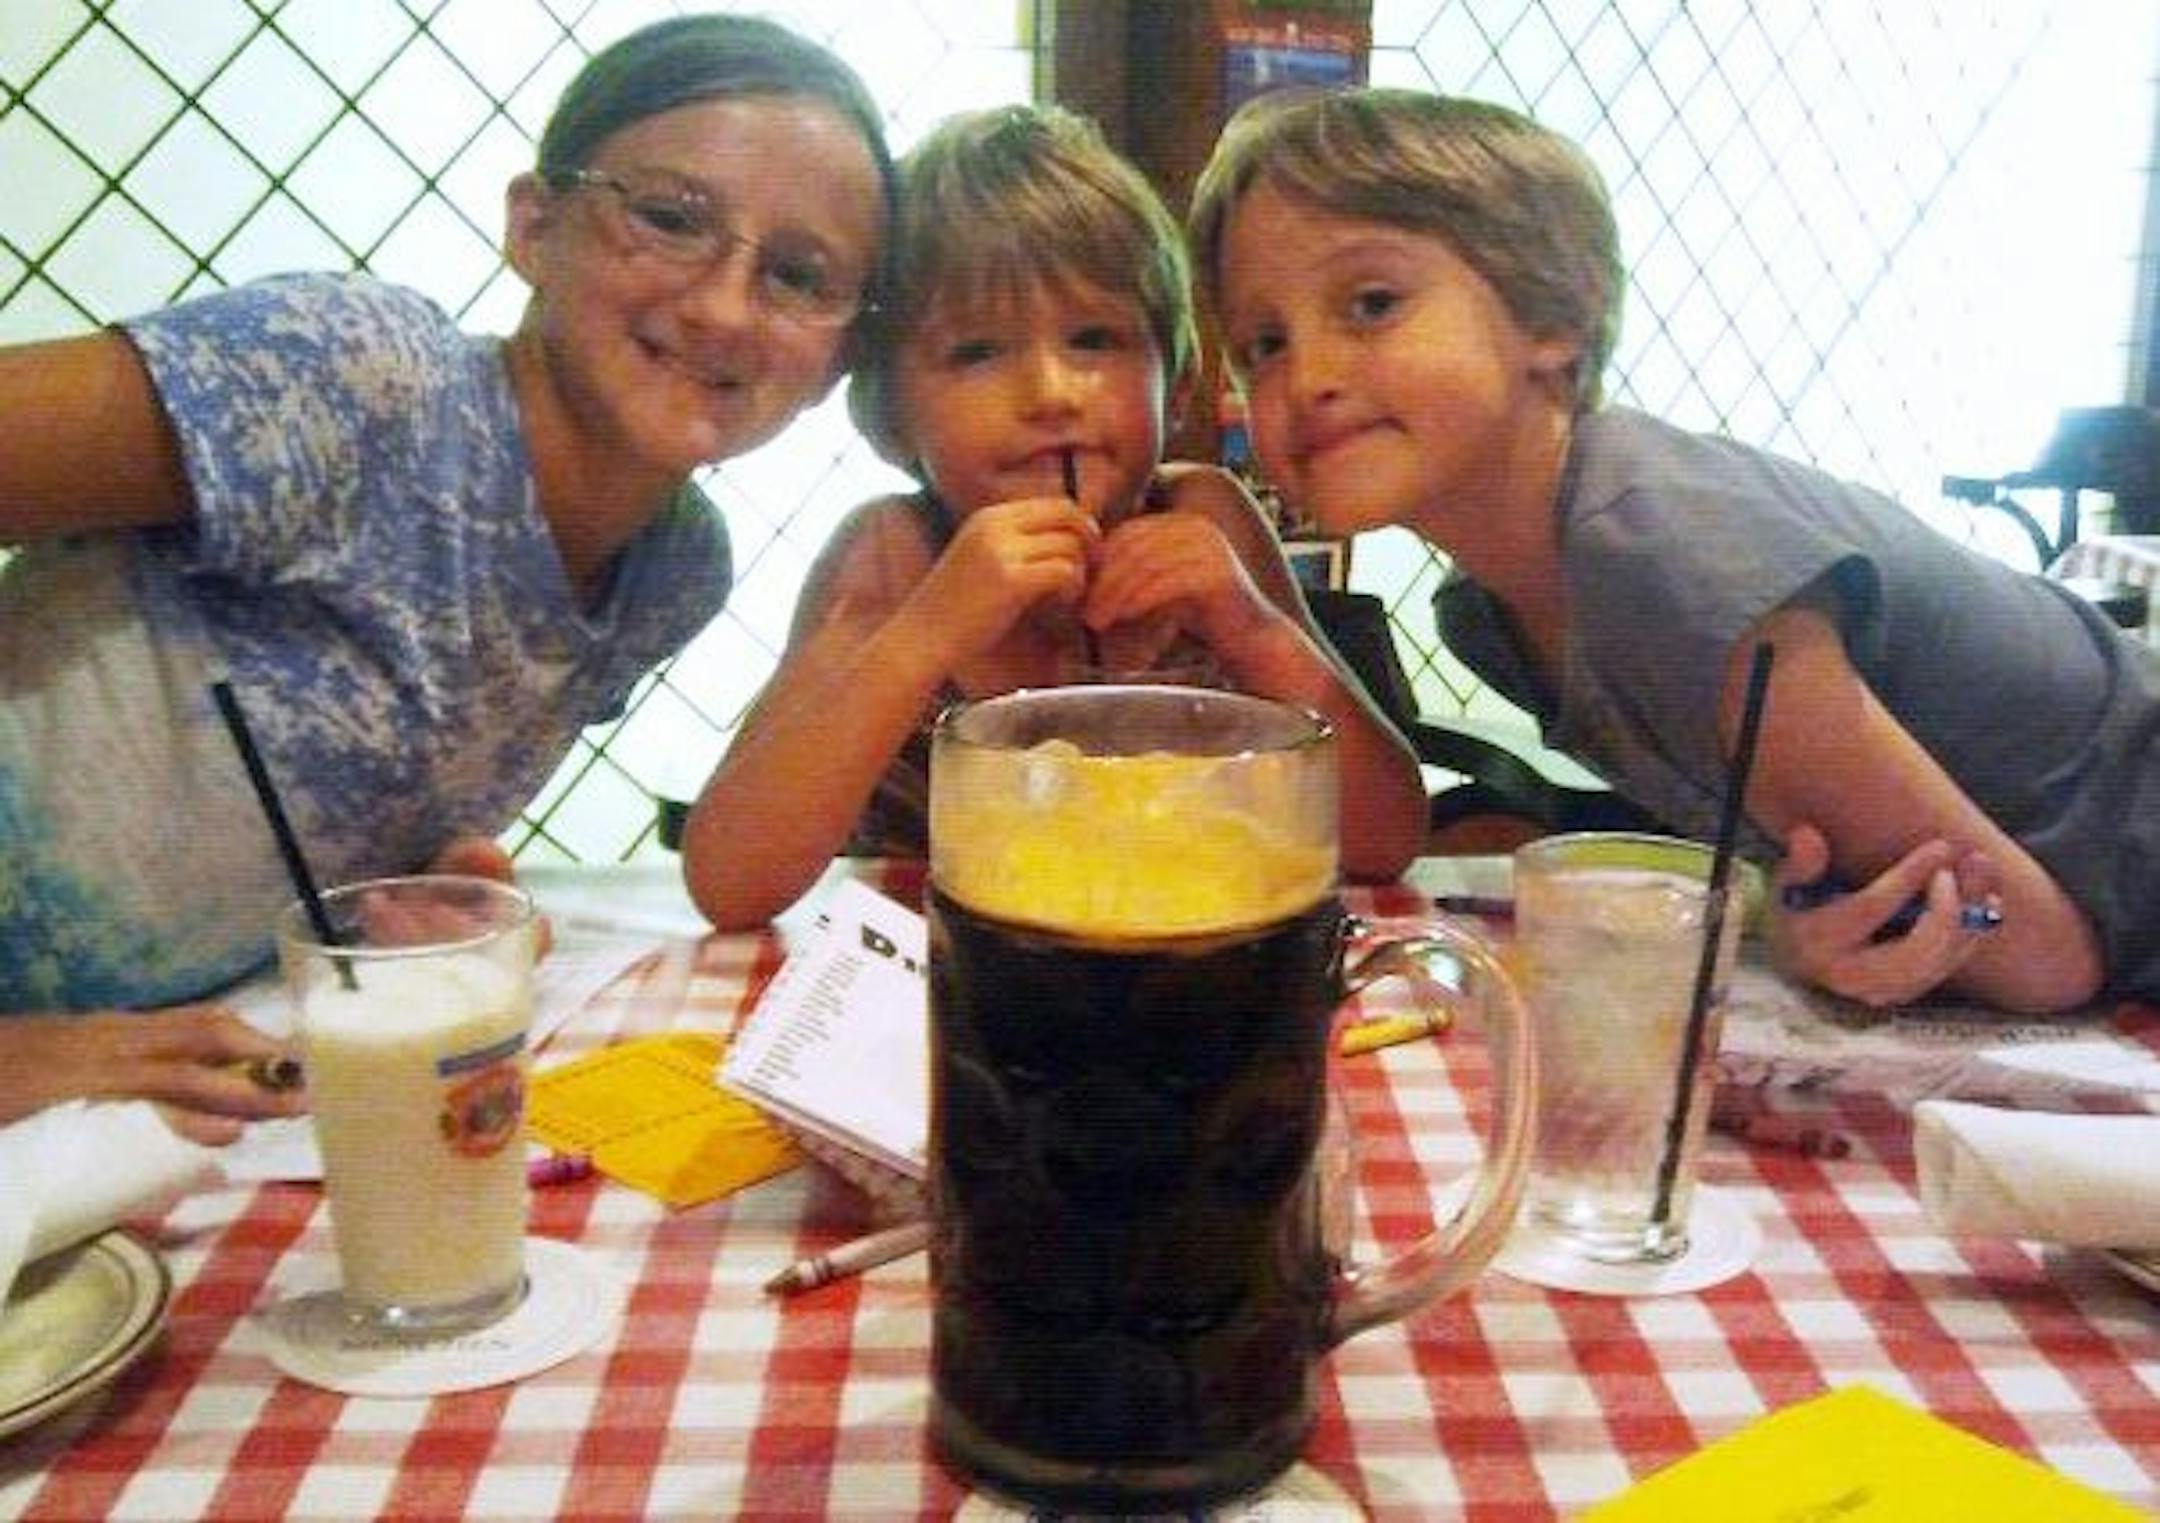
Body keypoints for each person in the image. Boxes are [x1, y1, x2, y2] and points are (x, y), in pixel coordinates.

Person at [0, 14, 898, 1131]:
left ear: (838, 361)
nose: (724, 304)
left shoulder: (673, 571)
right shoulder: (356, 377)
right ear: (535, 224)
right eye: (669, 218)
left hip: (126, 1123)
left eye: (800, 275)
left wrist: (413, 882)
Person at [1188, 86, 2159, 1014]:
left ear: (1552, 317)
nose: (1307, 374)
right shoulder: (1491, 612)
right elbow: (1824, 863)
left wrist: (1861, 934)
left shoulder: (1658, 558)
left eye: (1370, 303)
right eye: (1263, 342)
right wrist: (1811, 925)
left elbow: (2045, 957)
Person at [682, 104, 1426, 930]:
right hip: (953, 988)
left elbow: (1384, 838)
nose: (1050, 394)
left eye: (1095, 340)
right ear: (892, 418)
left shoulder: (1209, 515)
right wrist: (929, 631)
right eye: (977, 352)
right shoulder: (892, 556)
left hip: (1186, 962)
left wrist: (1252, 630)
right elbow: (730, 882)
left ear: (1174, 384)